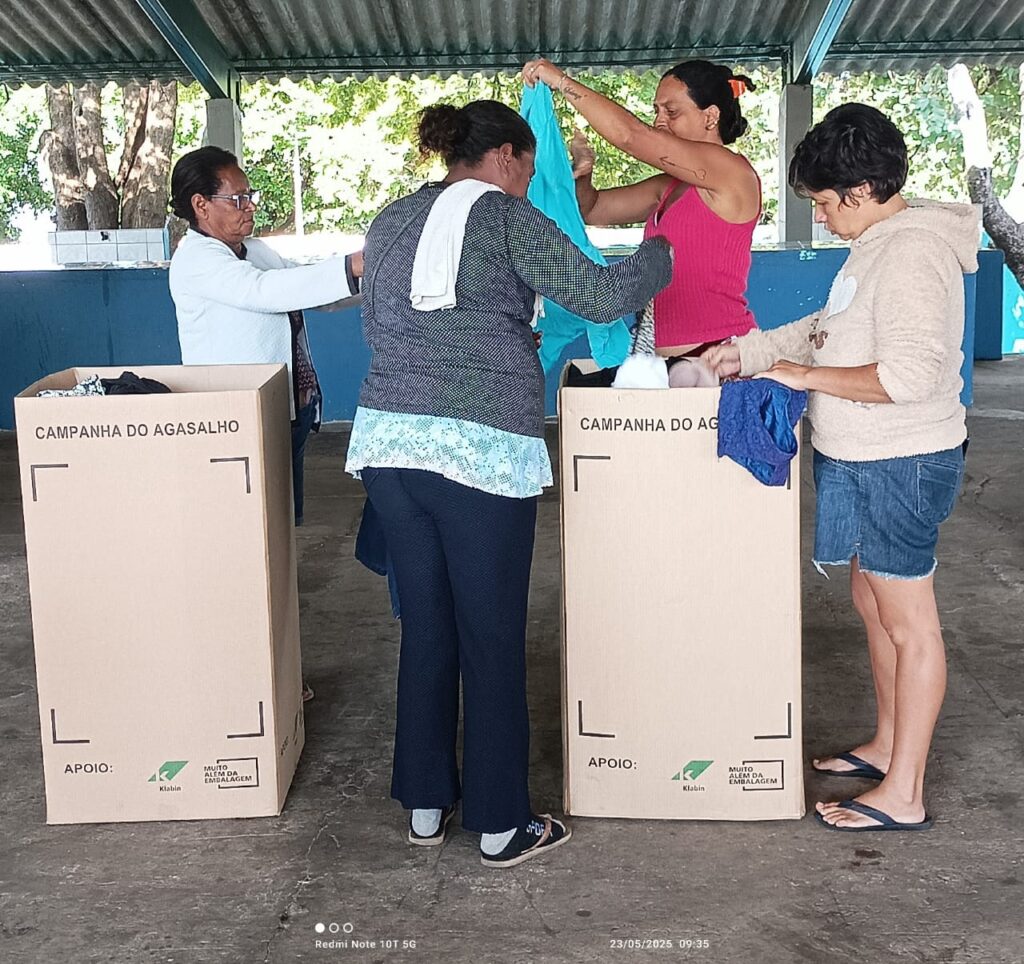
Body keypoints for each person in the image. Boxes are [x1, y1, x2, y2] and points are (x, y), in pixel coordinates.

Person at [346, 100, 672, 866]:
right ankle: (500, 822)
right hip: (480, 452)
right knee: (490, 635)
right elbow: (596, 295)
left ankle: (426, 803)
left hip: (389, 446)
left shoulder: (391, 219)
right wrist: (659, 255)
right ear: (503, 158)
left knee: (426, 627)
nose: (530, 182)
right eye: (528, 168)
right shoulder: (503, 216)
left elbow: (390, 319)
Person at [703, 104, 978, 833]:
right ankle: (889, 745)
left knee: (909, 622)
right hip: (862, 454)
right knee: (871, 602)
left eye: (825, 203)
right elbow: (831, 328)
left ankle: (905, 792)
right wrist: (751, 353)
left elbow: (910, 375)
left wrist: (799, 374)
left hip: (901, 459)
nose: (821, 218)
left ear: (860, 189)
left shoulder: (914, 252)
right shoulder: (877, 242)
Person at [169, 145, 363, 702]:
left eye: (250, 195)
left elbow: (308, 289)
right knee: (240, 549)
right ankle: (241, 675)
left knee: (273, 539)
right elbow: (266, 296)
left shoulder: (250, 250)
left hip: (284, 411)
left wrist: (374, 275)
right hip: (229, 425)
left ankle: (271, 670)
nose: (249, 206)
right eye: (237, 197)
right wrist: (352, 265)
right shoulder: (199, 260)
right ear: (201, 205)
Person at [522, 58, 760, 375]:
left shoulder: (732, 173)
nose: (660, 122)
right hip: (663, 365)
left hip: (718, 361)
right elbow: (590, 210)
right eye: (656, 111)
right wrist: (584, 174)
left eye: (671, 112)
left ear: (711, 116)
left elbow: (631, 137)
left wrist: (562, 82)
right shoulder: (669, 187)